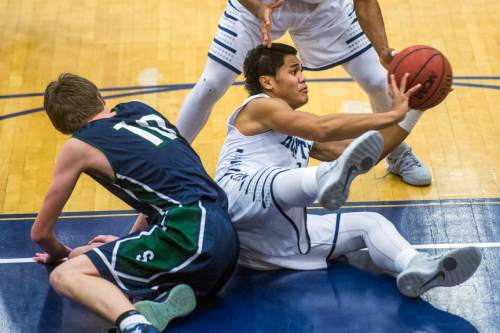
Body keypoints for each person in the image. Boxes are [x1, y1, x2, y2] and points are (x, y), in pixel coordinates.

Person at [214, 43, 481, 297]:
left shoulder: (298, 131)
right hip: (236, 202)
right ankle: (327, 176)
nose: (303, 78)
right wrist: (391, 115)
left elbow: (364, 152)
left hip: (274, 244)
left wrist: (414, 109)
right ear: (267, 82)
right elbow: (321, 127)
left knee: (370, 223)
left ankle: (417, 266)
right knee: (279, 179)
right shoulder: (259, 106)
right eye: (294, 71)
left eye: (302, 70)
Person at [31, 74, 239, 333]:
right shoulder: (138, 110)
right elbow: (163, 190)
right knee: (86, 255)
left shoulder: (78, 146)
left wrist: (57, 253)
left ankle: (136, 326)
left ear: (62, 126)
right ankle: (162, 300)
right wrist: (129, 242)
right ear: (99, 98)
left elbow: (40, 233)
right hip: (223, 241)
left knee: (66, 273)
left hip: (188, 234)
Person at [176, 0, 433, 186]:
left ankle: (396, 154)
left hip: (322, 8)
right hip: (262, 3)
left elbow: (364, 3)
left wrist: (384, 51)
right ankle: (169, 164)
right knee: (210, 85)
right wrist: (258, 8)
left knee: (377, 80)